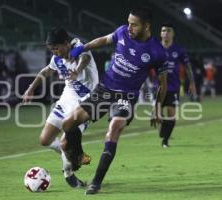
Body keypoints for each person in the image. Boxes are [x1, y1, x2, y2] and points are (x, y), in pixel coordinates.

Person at [60, 7, 168, 195]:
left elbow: (163, 84)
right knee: (68, 123)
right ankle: (78, 156)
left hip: (126, 97)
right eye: (128, 23)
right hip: (104, 90)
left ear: (147, 26)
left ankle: (96, 182)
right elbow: (104, 40)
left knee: (114, 128)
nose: (129, 27)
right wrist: (82, 48)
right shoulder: (122, 32)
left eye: (134, 25)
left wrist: (157, 108)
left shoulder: (157, 52)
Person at [22, 27, 99, 188]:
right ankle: (72, 154)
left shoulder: (78, 47)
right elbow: (46, 71)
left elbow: (84, 58)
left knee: (65, 142)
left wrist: (77, 71)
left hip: (86, 103)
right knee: (45, 140)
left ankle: (69, 174)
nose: (54, 52)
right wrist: (31, 88)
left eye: (56, 48)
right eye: (51, 50)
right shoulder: (57, 58)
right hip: (66, 99)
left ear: (66, 43)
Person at [159, 22, 196, 148]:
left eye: (168, 31)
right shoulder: (155, 48)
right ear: (160, 33)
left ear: (173, 34)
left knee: (171, 115)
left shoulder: (178, 50)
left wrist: (191, 82)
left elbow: (187, 66)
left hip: (173, 86)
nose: (166, 33)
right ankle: (163, 126)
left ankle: (165, 140)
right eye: (163, 30)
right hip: (157, 86)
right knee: (157, 113)